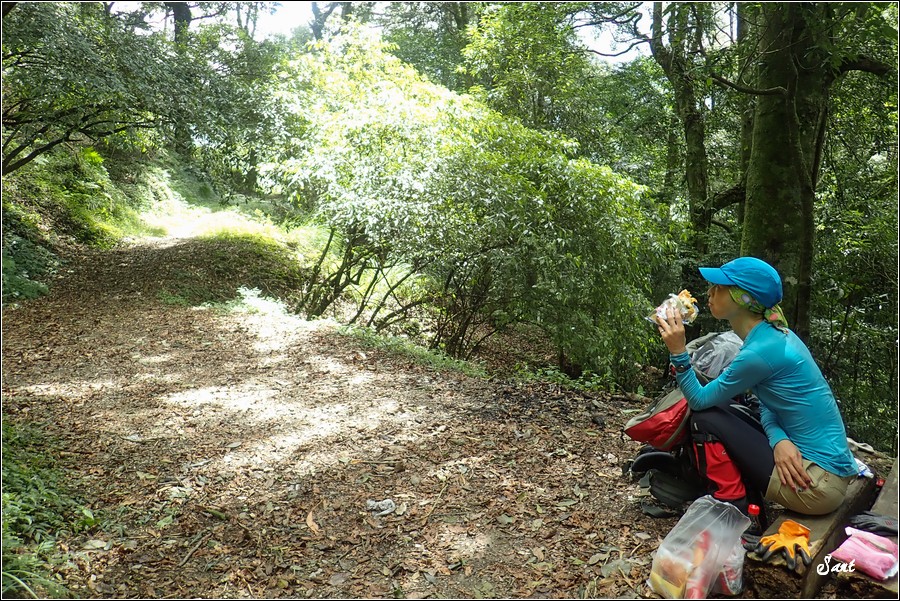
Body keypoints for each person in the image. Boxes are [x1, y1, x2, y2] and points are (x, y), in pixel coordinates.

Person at [655, 256, 857, 518]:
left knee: (705, 418)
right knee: (723, 404)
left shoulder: (759, 352)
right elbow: (769, 403)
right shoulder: (776, 335)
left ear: (743, 299)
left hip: (816, 485)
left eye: (719, 287)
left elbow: (698, 400)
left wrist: (678, 352)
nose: (710, 292)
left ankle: (733, 504)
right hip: (821, 472)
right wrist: (779, 439)